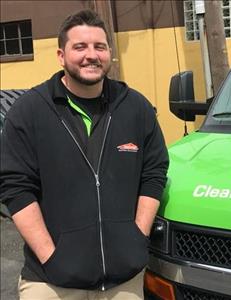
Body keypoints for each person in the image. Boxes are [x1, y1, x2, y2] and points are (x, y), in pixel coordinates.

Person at [0, 9, 169, 300]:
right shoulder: (30, 111)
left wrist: (137, 237)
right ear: (60, 55)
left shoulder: (135, 108)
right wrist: (50, 256)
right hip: (50, 282)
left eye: (99, 47)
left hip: (123, 283)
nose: (91, 55)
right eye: (80, 47)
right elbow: (15, 187)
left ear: (109, 54)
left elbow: (154, 172)